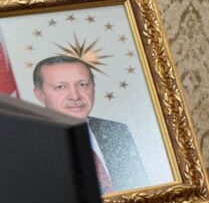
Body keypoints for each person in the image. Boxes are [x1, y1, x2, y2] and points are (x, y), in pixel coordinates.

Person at [30, 53, 147, 193]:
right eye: (61, 87)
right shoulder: (30, 144)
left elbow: (141, 188)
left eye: (82, 85)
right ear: (40, 95)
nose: (75, 96)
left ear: (93, 87)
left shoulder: (116, 130)